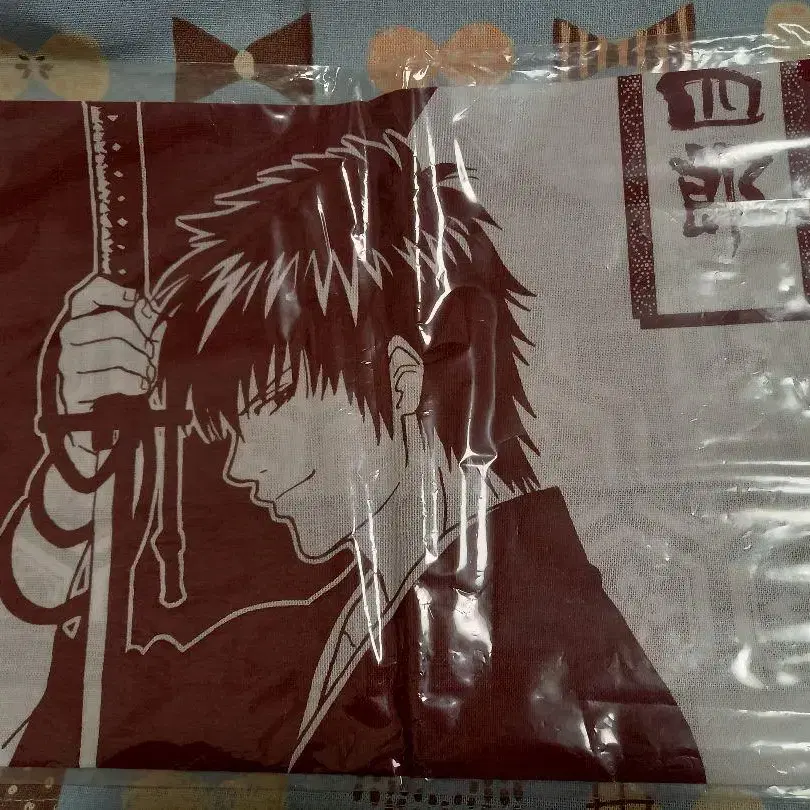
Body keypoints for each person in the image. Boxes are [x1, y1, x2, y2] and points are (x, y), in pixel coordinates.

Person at [1, 129, 705, 780]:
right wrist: (76, 468)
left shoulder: (551, 656)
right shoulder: (335, 628)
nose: (240, 469)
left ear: (401, 380)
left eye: (264, 404)